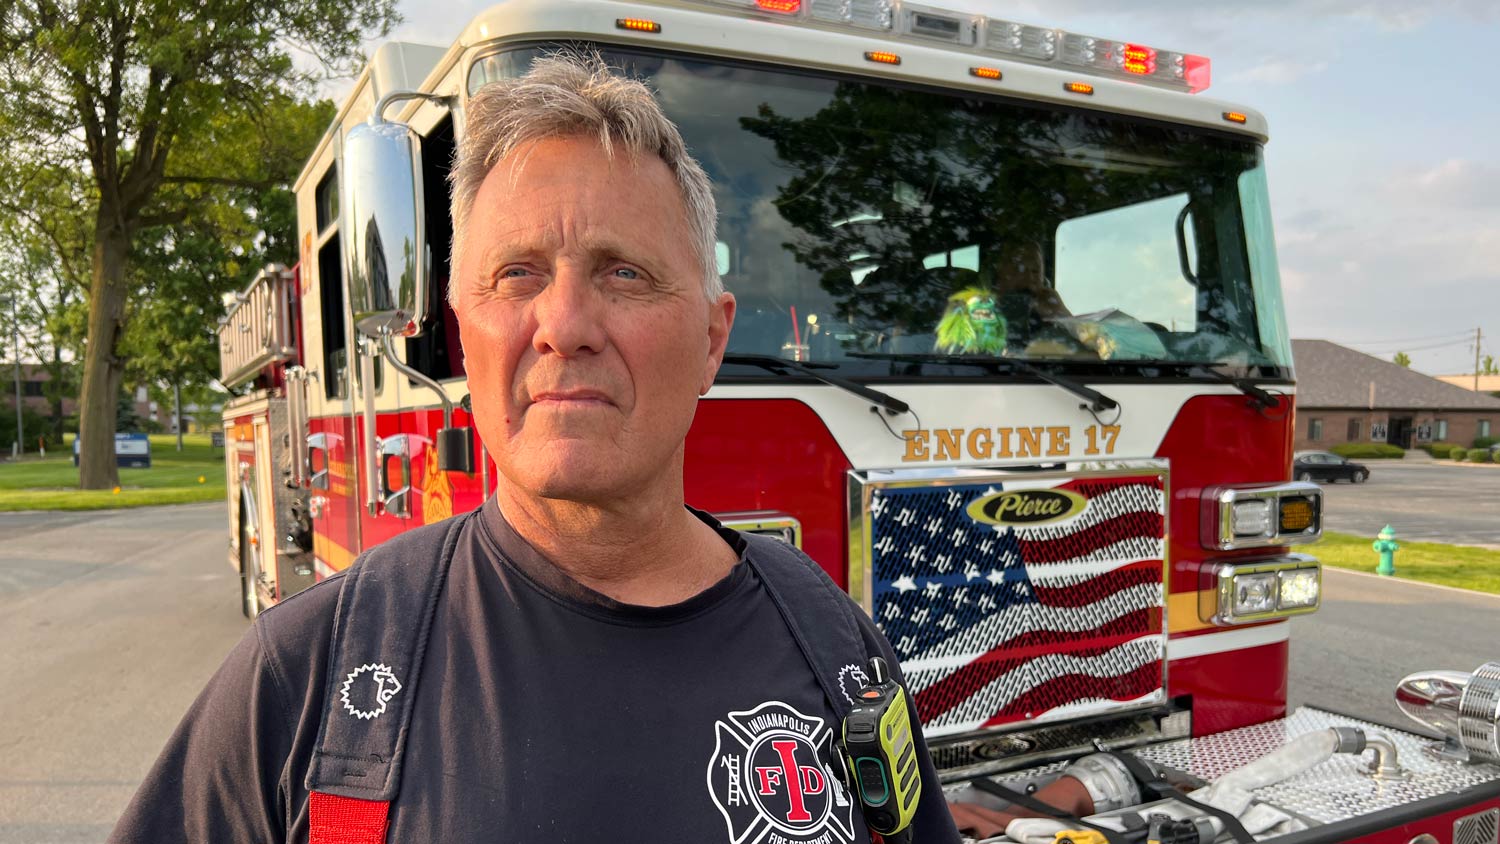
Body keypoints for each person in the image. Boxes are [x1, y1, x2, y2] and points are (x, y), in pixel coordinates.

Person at [109, 53, 960, 844]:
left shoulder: (841, 649)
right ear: (461, 333)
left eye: (624, 272)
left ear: (710, 340)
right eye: (516, 274)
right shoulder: (301, 683)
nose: (563, 327)